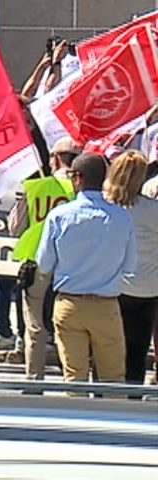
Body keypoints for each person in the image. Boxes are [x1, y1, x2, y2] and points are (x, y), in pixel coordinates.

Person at [36, 153, 135, 385]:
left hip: (69, 303)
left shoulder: (59, 216)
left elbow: (44, 264)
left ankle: (76, 418)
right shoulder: (122, 217)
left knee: (74, 377)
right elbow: (130, 266)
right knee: (113, 379)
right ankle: (111, 419)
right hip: (106, 305)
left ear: (77, 178)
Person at [9, 136, 79, 380]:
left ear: (56, 158)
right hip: (71, 266)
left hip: (36, 264)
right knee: (69, 326)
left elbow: (15, 227)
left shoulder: (37, 187)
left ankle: (33, 378)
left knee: (35, 326)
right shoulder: (81, 190)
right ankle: (71, 375)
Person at [103, 151, 158, 385]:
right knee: (137, 349)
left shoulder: (106, 208)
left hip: (112, 287)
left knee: (107, 350)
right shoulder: (153, 210)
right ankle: (132, 399)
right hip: (148, 287)